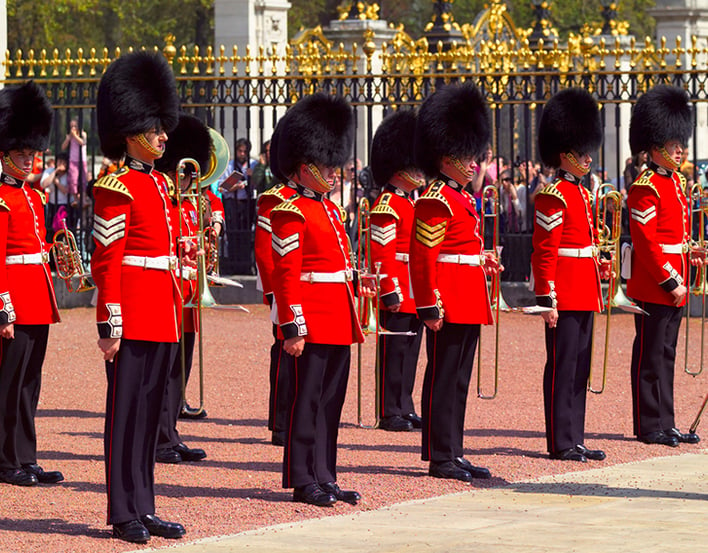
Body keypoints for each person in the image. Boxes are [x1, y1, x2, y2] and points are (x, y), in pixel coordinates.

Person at [91, 51, 185, 544]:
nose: (163, 136)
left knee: (150, 420)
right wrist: (110, 323)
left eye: (161, 127)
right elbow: (107, 262)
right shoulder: (116, 187)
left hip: (163, 313)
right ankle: (122, 509)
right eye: (154, 128)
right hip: (131, 315)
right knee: (125, 417)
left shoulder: (161, 184)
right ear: (130, 132)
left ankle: (144, 505)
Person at [270, 93, 373, 507]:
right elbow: (286, 273)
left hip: (337, 314)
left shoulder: (330, 211)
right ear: (304, 163)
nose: (333, 170)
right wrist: (292, 327)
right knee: (305, 399)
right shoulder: (288, 209)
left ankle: (325, 473)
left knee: (331, 402)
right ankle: (301, 476)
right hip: (310, 317)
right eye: (326, 163)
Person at [410, 82, 499, 482]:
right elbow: (424, 256)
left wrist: (481, 260)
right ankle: (441, 455)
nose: (474, 162)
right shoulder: (435, 198)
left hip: (467, 294)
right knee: (445, 377)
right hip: (447, 299)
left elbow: (457, 248)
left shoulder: (460, 196)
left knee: (459, 378)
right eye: (466, 155)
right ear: (446, 157)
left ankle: (454, 450)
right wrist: (428, 303)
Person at [531, 88, 610, 463]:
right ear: (565, 156)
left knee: (580, 366)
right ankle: (560, 440)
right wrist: (546, 299)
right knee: (563, 367)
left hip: (584, 287)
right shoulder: (554, 195)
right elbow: (545, 251)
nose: (588, 158)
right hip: (563, 292)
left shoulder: (581, 192)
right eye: (581, 153)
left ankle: (575, 437)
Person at [626, 84, 702, 447]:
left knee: (667, 354)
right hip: (656, 284)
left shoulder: (676, 184)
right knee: (651, 355)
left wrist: (692, 260)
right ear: (657, 148)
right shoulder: (646, 186)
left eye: (680, 144)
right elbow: (646, 242)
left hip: (677, 279)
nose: (681, 150)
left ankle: (665, 421)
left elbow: (677, 237)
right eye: (675, 146)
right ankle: (648, 424)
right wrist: (671, 281)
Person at [0, 80, 63, 488]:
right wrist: (3, 308)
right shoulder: (2, 199)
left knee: (29, 384)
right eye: (21, 153)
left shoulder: (34, 198)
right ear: (4, 155)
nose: (28, 159)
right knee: (8, 385)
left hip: (38, 298)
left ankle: (26, 457)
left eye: (32, 153)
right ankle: (6, 462)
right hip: (15, 302)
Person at [152, 113, 210, 464]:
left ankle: (171, 432)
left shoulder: (188, 205)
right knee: (166, 368)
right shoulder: (167, 202)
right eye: (186, 172)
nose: (190, 179)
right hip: (171, 292)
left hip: (188, 293)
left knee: (180, 368)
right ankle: (160, 437)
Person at [369, 109, 425, 432]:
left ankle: (405, 404)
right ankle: (390, 410)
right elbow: (383, 252)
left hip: (413, 288)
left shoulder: (410, 202)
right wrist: (389, 288)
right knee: (394, 353)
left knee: (410, 350)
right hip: (398, 288)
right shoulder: (387, 205)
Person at [253, 121, 296, 446]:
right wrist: (272, 291)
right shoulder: (274, 198)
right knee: (284, 351)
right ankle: (281, 423)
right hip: (283, 287)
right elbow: (265, 250)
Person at [62, 117, 88, 198]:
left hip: (82, 160)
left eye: (75, 126)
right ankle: (75, 198)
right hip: (73, 160)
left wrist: (75, 136)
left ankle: (83, 197)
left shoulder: (83, 134)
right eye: (71, 126)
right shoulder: (70, 136)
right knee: (73, 179)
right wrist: (68, 139)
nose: (73, 128)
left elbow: (82, 142)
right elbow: (63, 147)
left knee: (83, 179)